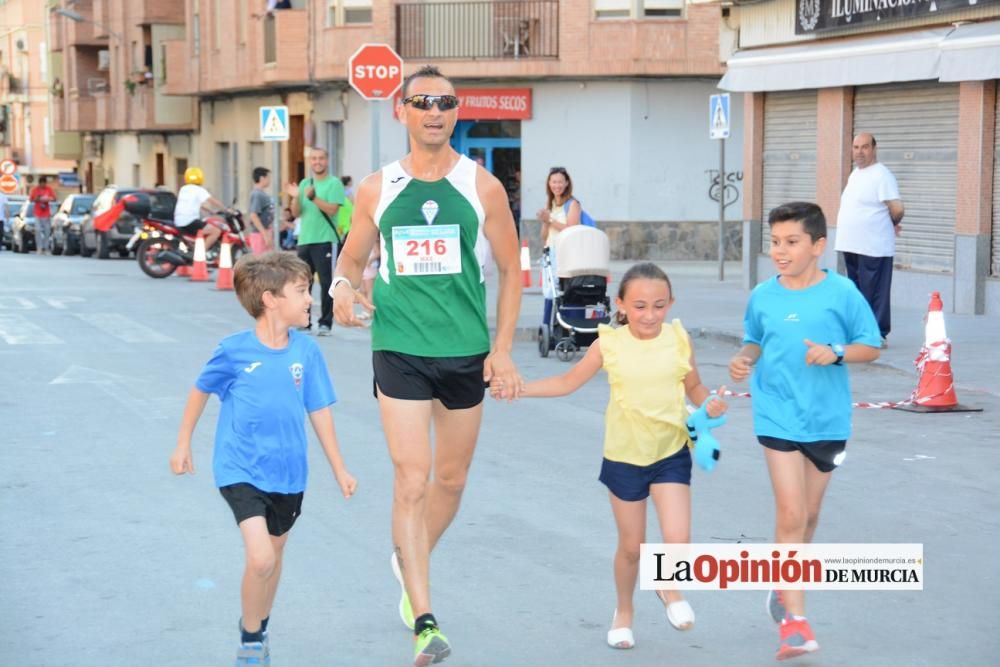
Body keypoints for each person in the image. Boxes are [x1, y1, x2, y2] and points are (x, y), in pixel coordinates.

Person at [330, 65, 523, 666]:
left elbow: (515, 271)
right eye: (423, 102)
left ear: (455, 111)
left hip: (464, 349)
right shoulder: (376, 187)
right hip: (399, 347)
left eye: (445, 102)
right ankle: (425, 618)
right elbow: (353, 255)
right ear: (402, 111)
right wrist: (339, 286)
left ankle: (408, 556)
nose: (435, 111)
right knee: (411, 478)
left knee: (451, 481)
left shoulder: (482, 186)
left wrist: (503, 348)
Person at [501, 262, 727, 650]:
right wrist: (521, 390)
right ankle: (624, 611)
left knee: (678, 537)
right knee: (630, 546)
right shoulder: (610, 343)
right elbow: (566, 382)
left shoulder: (678, 339)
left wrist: (710, 403)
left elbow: (694, 385)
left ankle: (668, 589)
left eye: (659, 305)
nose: (650, 315)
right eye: (639, 306)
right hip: (624, 457)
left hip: (670, 452)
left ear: (670, 303)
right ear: (620, 304)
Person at [169, 251, 357, 667]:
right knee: (261, 558)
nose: (311, 299)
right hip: (240, 469)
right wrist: (183, 442)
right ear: (271, 299)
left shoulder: (306, 353)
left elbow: (320, 412)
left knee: (273, 559)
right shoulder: (233, 351)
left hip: (289, 474)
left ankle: (260, 623)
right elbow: (201, 389)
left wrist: (339, 468)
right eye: (303, 291)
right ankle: (251, 639)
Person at [728, 202, 880, 661]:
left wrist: (836, 351)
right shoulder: (763, 294)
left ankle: (781, 584)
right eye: (774, 242)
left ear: (818, 246)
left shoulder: (843, 293)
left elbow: (870, 347)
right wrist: (745, 359)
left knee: (809, 518)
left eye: (791, 242)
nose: (780, 251)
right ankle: (795, 622)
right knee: (791, 514)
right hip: (776, 415)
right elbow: (754, 338)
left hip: (829, 420)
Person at [833, 133, 904, 348]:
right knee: (855, 291)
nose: (859, 152)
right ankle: (859, 332)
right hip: (851, 244)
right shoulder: (855, 174)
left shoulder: (882, 175)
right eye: (856, 147)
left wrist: (892, 223)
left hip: (874, 245)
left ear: (874, 149)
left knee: (875, 291)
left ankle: (877, 333)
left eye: (864, 147)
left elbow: (897, 208)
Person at [284, 147, 344, 336]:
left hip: (325, 240)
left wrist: (314, 198)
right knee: (302, 283)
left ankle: (325, 323)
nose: (317, 162)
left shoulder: (334, 183)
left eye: (321, 158)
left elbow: (332, 210)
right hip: (305, 240)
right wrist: (295, 197)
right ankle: (304, 321)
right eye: (314, 159)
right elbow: (296, 213)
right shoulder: (305, 183)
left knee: (327, 283)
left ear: (327, 161)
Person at [536, 167, 581, 326]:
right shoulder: (551, 204)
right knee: (549, 292)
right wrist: (544, 221)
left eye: (560, 182)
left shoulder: (572, 204)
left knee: (562, 291)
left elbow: (572, 228)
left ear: (567, 183)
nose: (557, 185)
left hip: (565, 253)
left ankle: (563, 324)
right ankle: (547, 326)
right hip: (550, 252)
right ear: (549, 184)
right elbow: (544, 236)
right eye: (554, 182)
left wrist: (550, 220)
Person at [174, 166, 225, 253]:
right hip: (190, 222)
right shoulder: (199, 190)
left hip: (178, 221)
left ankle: (196, 246)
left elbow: (193, 204)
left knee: (206, 226)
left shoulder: (183, 189)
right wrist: (225, 208)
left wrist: (210, 211)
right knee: (216, 231)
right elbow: (212, 201)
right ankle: (200, 254)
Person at [248, 167, 275, 255]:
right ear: (262, 178)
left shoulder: (262, 194)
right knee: (261, 262)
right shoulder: (257, 194)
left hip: (266, 231)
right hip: (260, 234)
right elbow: (253, 215)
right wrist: (265, 234)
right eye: (268, 178)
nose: (269, 180)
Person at [29, 175, 57, 255]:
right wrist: (37, 199)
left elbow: (54, 198)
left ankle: (46, 248)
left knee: (47, 231)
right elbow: (31, 199)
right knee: (37, 230)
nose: (43, 185)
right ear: (39, 183)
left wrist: (48, 198)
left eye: (44, 184)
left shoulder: (49, 189)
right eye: (41, 184)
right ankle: (39, 248)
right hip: (37, 213)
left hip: (46, 213)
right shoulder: (35, 190)